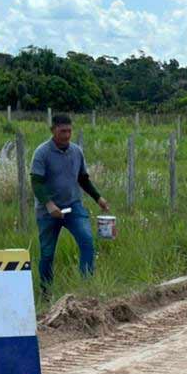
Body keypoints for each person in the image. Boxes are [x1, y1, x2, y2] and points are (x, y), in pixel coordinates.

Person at [31, 114, 110, 290]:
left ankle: (86, 288)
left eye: (69, 131)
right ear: (53, 131)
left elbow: (83, 178)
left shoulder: (76, 151)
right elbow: (36, 182)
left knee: (87, 242)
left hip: (73, 206)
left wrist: (98, 198)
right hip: (48, 211)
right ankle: (46, 293)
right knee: (47, 254)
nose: (66, 135)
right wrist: (49, 205)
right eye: (62, 131)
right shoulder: (42, 153)